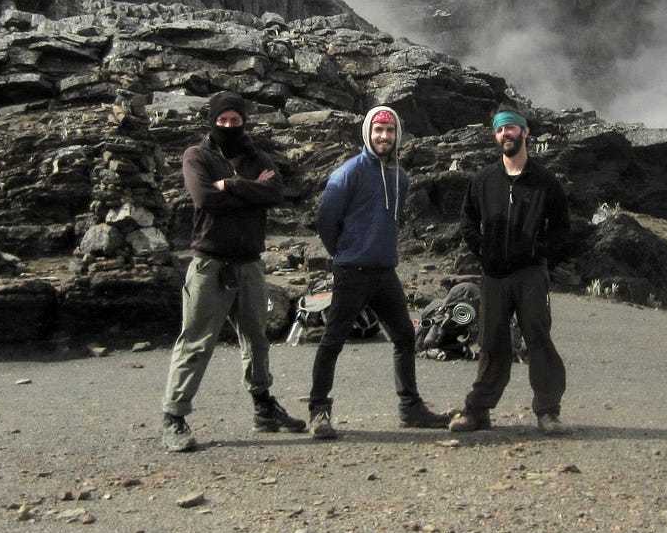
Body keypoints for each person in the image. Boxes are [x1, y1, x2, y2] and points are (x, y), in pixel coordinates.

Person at [160, 91, 305, 452]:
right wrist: (251, 192)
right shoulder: (197, 156)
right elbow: (204, 198)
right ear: (212, 121)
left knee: (256, 339)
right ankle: (173, 417)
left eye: (235, 120)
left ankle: (263, 407)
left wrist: (234, 185)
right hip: (210, 264)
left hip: (249, 264)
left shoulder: (258, 157)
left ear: (244, 121)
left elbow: (275, 193)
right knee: (196, 341)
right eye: (222, 120)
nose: (228, 125)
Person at [306, 105, 453, 439]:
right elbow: (326, 221)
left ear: (397, 135)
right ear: (368, 134)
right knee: (333, 341)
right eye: (378, 130)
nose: (383, 136)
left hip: (385, 272)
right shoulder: (348, 173)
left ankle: (410, 408)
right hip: (351, 271)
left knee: (404, 337)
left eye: (389, 131)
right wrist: (344, 253)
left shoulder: (401, 177)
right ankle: (318, 412)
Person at [448, 109, 571, 435]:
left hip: (530, 274)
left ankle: (548, 411)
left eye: (512, 128)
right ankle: (477, 411)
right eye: (500, 129)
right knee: (491, 343)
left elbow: (562, 228)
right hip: (494, 276)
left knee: (538, 338)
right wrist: (483, 249)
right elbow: (467, 220)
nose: (506, 134)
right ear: (495, 135)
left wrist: (540, 253)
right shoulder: (484, 179)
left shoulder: (544, 181)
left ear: (525, 132)